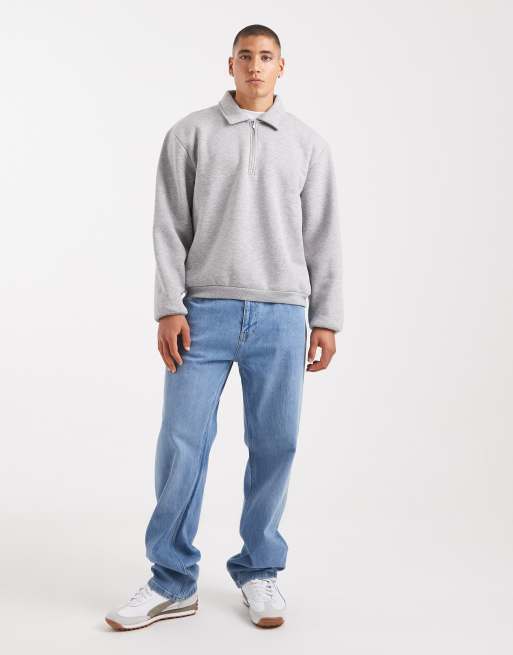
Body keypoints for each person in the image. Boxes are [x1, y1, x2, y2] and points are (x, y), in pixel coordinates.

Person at [105, 23, 343, 631]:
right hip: (203, 313)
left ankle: (260, 569)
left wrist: (326, 319)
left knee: (276, 444)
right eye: (245, 56)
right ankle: (171, 579)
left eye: (266, 57)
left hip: (282, 314)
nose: (255, 66)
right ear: (229, 64)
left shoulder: (308, 145)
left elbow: (322, 235)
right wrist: (168, 306)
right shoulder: (190, 134)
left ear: (282, 66)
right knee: (182, 442)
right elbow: (168, 227)